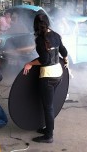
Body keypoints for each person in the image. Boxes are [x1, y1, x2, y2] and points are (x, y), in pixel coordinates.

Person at [23, 14, 68, 143]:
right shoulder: (56, 35)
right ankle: (48, 128)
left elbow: (44, 60)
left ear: (35, 25)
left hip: (47, 77)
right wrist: (66, 61)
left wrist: (30, 64)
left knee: (48, 107)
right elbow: (64, 52)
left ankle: (49, 136)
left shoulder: (40, 40)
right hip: (58, 74)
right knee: (49, 105)